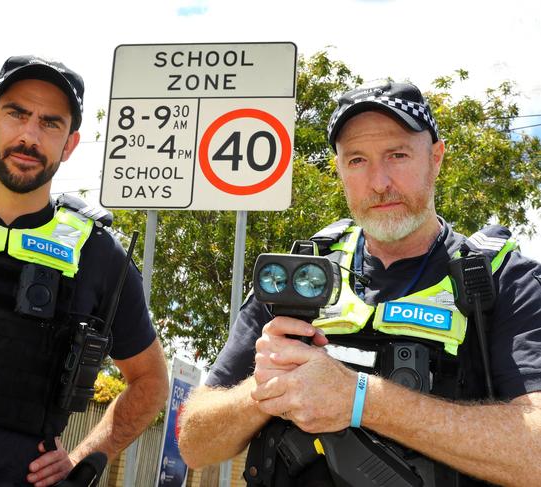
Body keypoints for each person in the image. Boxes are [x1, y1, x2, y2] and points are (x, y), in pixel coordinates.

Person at [178, 80, 541, 486]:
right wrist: (264, 391)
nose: (379, 182)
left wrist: (359, 400)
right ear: (339, 170)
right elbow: (194, 444)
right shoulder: (298, 275)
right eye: (357, 160)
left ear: (436, 158)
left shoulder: (503, 278)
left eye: (398, 155)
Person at [0, 55, 168, 486]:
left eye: (50, 123)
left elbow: (150, 381)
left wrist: (87, 456)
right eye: (16, 114)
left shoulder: (97, 255)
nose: (29, 135)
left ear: (69, 144)